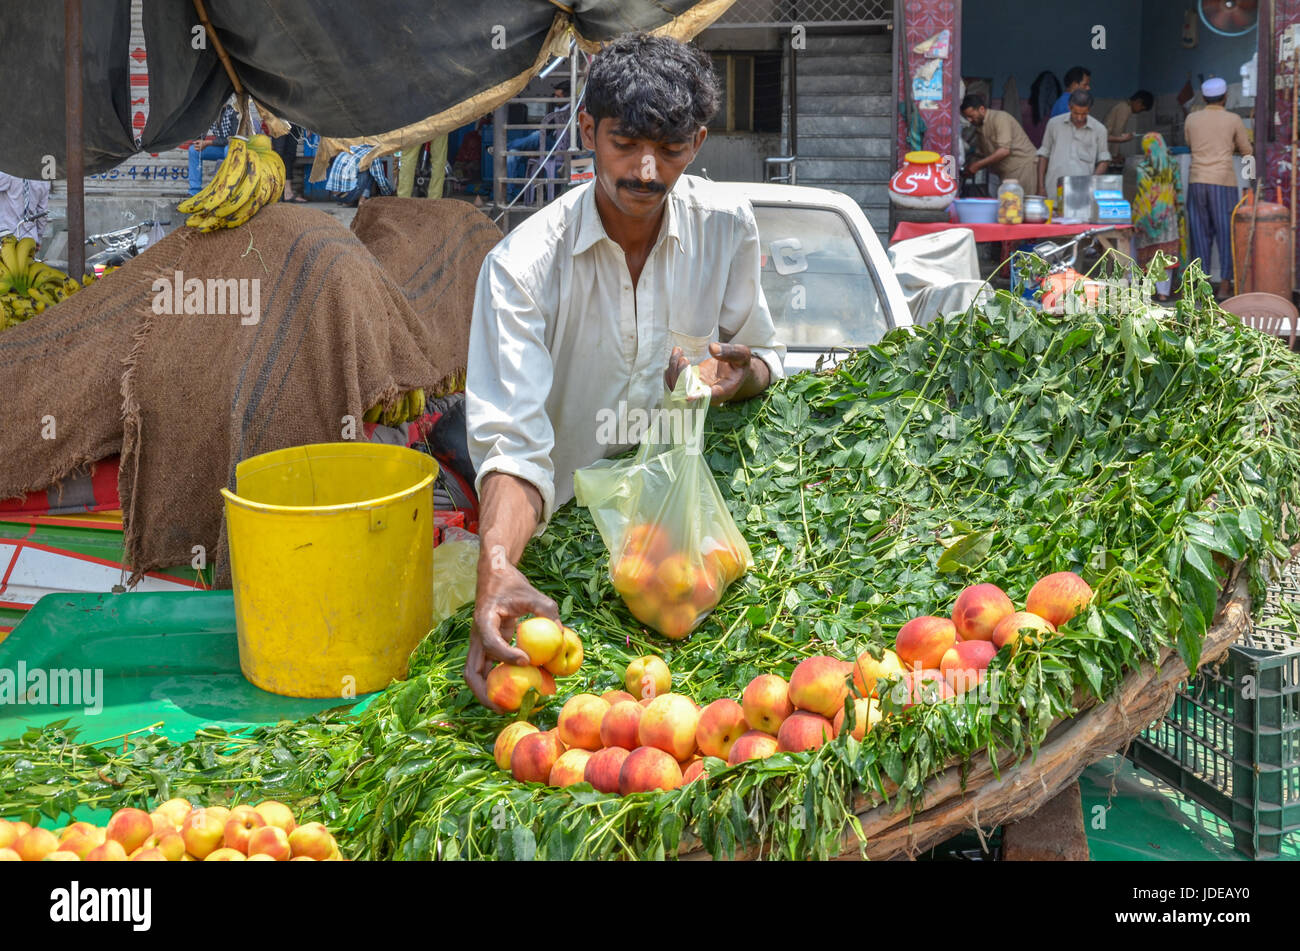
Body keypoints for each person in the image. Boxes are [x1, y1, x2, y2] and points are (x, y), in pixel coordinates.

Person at [462, 33, 784, 710]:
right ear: (587, 130)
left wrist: (739, 376)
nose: (645, 170)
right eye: (625, 143)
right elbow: (515, 451)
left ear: (696, 143)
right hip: (568, 555)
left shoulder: (726, 227)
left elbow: (758, 356)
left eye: (669, 150)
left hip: (690, 550)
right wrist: (498, 566)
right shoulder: (523, 268)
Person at [1183, 77, 1251, 300]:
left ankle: (1201, 286)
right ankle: (1224, 285)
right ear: (1225, 97)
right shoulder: (1233, 119)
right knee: (1225, 233)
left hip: (1197, 181)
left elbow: (1190, 144)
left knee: (1200, 234)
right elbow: (1246, 150)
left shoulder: (1191, 118)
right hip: (1222, 181)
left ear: (1203, 98)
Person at [1131, 132, 1187, 302]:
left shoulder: (1143, 168)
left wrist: (1137, 217)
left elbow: (1141, 194)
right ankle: (1163, 293)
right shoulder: (1172, 166)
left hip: (1147, 216)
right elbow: (1178, 192)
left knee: (1146, 254)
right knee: (1166, 255)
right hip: (1168, 215)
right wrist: (1179, 213)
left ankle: (1147, 290)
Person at [1037, 90, 1111, 199]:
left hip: (1082, 193)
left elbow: (1104, 160)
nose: (1080, 118)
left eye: (1084, 113)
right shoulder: (1054, 124)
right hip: (1053, 189)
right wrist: (1040, 187)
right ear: (1070, 107)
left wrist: (1091, 183)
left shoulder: (1099, 129)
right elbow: (1043, 155)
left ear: (1089, 110)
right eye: (1076, 113)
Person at [960, 94, 1039, 194]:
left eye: (971, 116)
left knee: (1020, 205)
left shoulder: (1000, 118)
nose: (969, 120)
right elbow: (981, 155)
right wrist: (970, 167)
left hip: (1023, 168)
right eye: (967, 117)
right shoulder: (980, 127)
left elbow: (1004, 151)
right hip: (1007, 172)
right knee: (1009, 206)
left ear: (982, 109)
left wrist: (977, 165)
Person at [0, 172, 51, 246]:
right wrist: (39, 238)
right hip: (29, 235)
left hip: (6, 233)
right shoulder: (43, 180)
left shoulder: (8, 174)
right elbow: (42, 214)